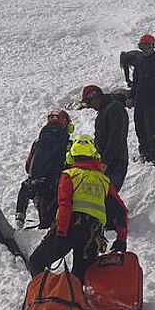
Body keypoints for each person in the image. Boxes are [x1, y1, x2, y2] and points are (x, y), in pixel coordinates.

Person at [26, 136, 128, 281]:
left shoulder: (69, 175)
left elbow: (65, 206)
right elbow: (121, 211)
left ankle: (47, 295)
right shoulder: (104, 181)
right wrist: (121, 239)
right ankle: (75, 300)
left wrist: (60, 235)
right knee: (79, 279)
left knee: (36, 262)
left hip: (69, 229)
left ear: (71, 156)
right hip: (92, 235)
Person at [15, 110, 73, 229]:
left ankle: (20, 216)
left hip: (33, 185)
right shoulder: (68, 143)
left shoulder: (38, 142)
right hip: (56, 187)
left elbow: (28, 166)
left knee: (25, 187)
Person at [119, 33, 155, 165]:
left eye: (147, 46)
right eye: (142, 47)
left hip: (154, 101)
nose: (145, 49)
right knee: (140, 127)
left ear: (153, 46)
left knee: (153, 129)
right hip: (140, 100)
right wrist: (131, 97)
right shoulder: (139, 60)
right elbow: (136, 81)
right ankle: (145, 153)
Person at [81, 84, 129, 191]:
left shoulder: (114, 109)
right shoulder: (105, 110)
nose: (91, 107)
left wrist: (105, 162)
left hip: (115, 162)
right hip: (106, 160)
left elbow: (115, 138)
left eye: (90, 103)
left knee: (108, 194)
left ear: (96, 97)